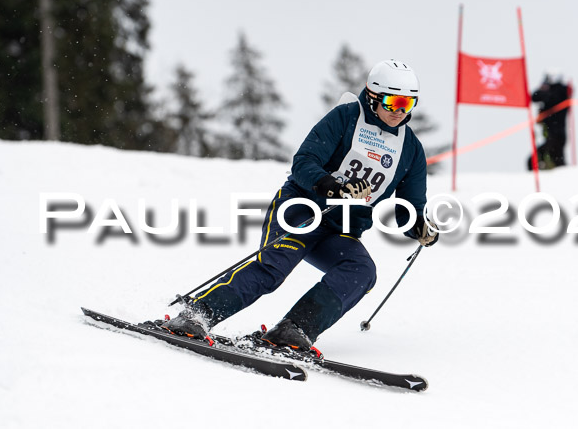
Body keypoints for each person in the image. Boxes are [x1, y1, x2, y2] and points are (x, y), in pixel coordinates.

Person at [162, 59, 439, 351]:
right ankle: (196, 315)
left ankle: (293, 329)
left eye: (407, 104)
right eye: (393, 102)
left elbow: (409, 207)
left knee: (361, 271)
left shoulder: (410, 149)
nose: (399, 112)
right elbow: (304, 162)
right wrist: (333, 185)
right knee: (274, 268)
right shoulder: (345, 118)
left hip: (339, 231)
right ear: (373, 96)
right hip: (301, 211)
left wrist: (419, 227)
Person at [527, 73, 571, 170]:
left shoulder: (560, 92)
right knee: (554, 160)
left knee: (555, 160)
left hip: (557, 135)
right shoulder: (548, 93)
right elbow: (534, 96)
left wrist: (545, 89)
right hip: (549, 134)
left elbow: (553, 96)